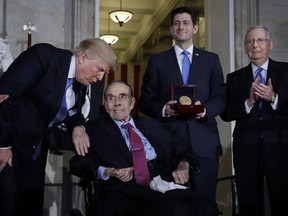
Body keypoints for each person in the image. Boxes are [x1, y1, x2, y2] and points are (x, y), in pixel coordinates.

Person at [0, 38, 117, 216]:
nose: (100, 78)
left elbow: (70, 111)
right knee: (7, 203)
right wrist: (3, 145)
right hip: (10, 144)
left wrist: (78, 127)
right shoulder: (44, 56)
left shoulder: (81, 80)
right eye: (100, 69)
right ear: (83, 57)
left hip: (35, 151)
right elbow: (6, 97)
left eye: (104, 73)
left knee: (31, 204)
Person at [70, 80, 218, 216]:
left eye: (122, 97)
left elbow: (181, 149)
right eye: (111, 98)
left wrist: (183, 164)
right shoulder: (95, 131)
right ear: (105, 103)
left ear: (132, 102)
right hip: (125, 189)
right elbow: (76, 164)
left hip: (161, 181)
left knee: (206, 205)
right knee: (176, 209)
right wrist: (109, 171)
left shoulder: (151, 125)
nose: (117, 103)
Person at [138, 6, 226, 200]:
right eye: (176, 23)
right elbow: (145, 100)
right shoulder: (157, 62)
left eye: (186, 22)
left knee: (205, 204)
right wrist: (164, 109)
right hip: (170, 144)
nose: (181, 27)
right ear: (171, 29)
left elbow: (221, 97)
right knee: (175, 205)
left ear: (195, 28)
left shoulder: (211, 60)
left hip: (205, 144)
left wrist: (204, 110)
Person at [220, 25, 288, 216]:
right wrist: (248, 102)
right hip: (246, 152)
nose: (255, 45)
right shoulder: (234, 78)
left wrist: (274, 98)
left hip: (281, 151)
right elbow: (226, 113)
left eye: (260, 40)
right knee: (249, 204)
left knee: (283, 203)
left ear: (270, 44)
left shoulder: (286, 71)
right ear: (245, 48)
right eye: (250, 41)